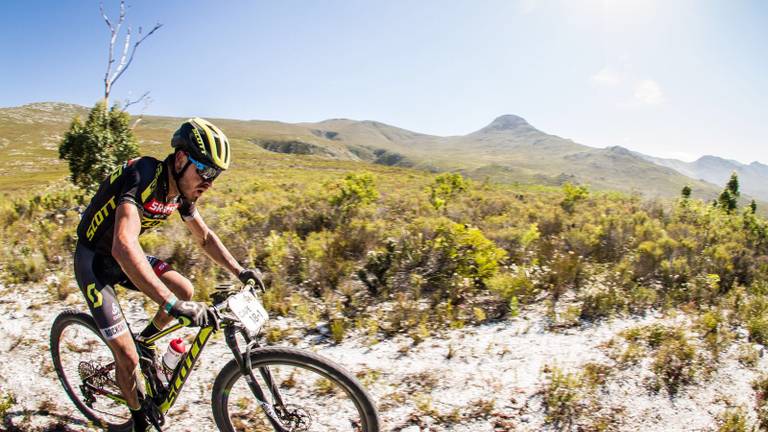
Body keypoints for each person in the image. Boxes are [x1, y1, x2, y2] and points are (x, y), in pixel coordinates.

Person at [73, 117, 261, 431]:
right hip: (94, 260)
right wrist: (171, 306)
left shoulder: (182, 194)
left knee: (184, 289)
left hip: (121, 256)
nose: (210, 182)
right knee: (127, 357)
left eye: (216, 176)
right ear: (181, 158)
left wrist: (240, 271)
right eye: (206, 171)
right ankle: (136, 419)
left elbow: (204, 237)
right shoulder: (142, 174)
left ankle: (146, 341)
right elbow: (122, 244)